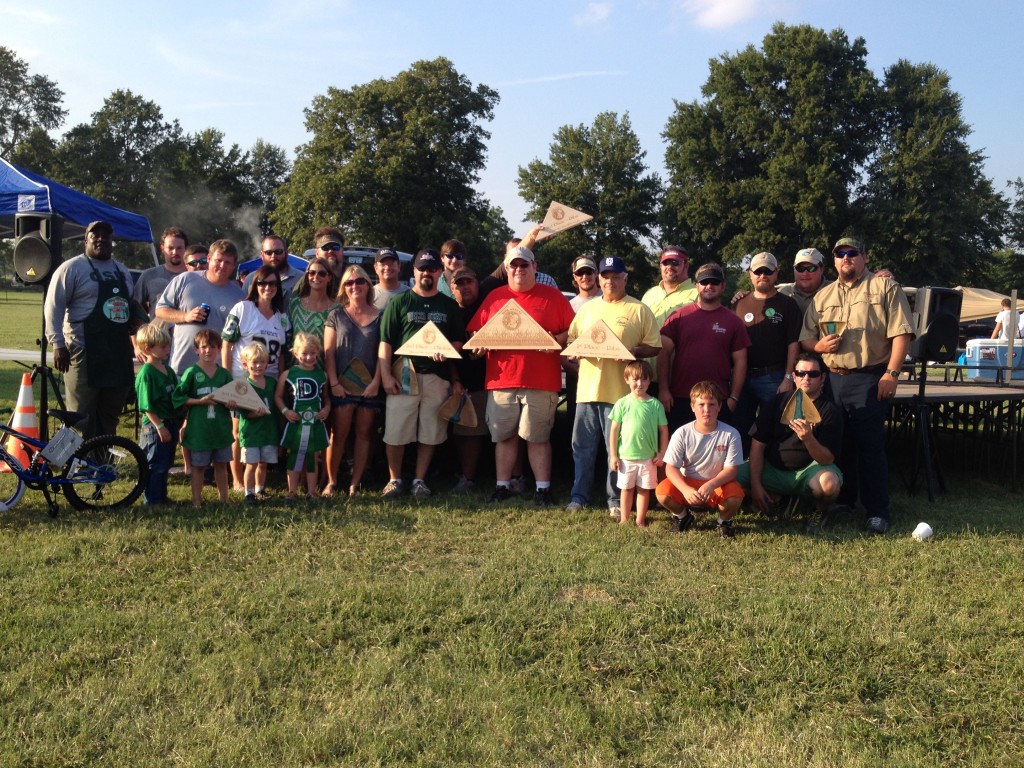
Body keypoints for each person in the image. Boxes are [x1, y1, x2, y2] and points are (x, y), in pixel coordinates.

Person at [799, 236, 915, 534]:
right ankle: (845, 501)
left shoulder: (884, 287)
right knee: (841, 444)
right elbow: (806, 339)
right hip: (832, 380)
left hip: (869, 377)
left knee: (870, 446)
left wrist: (892, 373)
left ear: (864, 256)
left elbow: (901, 334)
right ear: (834, 261)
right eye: (840, 254)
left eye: (852, 252)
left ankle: (877, 511)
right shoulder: (823, 297)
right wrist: (820, 345)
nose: (846, 258)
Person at [467, 245, 574, 507]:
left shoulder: (553, 297)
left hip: (541, 380)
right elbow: (475, 333)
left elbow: (572, 333)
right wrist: (478, 345)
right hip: (502, 380)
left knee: (538, 437)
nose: (518, 269)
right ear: (506, 268)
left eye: (524, 265)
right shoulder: (495, 297)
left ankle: (543, 489)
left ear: (534, 267)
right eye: (513, 265)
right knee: (504, 436)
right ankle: (502, 486)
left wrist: (553, 339)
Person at [565, 255, 661, 515]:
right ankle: (579, 496)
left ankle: (615, 500)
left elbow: (655, 345)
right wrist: (574, 352)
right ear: (599, 278)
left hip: (621, 395)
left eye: (615, 276)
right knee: (582, 448)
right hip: (586, 391)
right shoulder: (587, 309)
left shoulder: (638, 309)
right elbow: (572, 341)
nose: (610, 281)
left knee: (616, 451)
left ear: (625, 278)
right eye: (605, 276)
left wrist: (632, 351)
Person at [378, 248, 466, 500]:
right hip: (403, 373)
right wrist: (385, 375)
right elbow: (385, 342)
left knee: (430, 431)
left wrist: (445, 350)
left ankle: (419, 480)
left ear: (439, 272)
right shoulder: (400, 302)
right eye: (421, 268)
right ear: (414, 271)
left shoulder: (449, 305)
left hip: (437, 377)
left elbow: (459, 341)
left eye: (431, 268)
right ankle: (394, 480)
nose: (426, 272)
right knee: (395, 431)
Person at [44, 220, 140, 440]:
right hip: (83, 352)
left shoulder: (121, 270)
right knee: (80, 416)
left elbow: (130, 305)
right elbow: (53, 307)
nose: (101, 239)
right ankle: (77, 464)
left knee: (110, 414)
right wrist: (58, 344)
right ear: (85, 239)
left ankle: (102, 463)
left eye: (106, 236)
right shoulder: (72, 268)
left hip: (117, 352)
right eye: (95, 235)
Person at [734, 353, 843, 531]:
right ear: (794, 377)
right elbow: (757, 446)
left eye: (813, 374)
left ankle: (819, 510)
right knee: (727, 476)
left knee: (829, 486)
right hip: (773, 468)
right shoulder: (776, 402)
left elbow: (827, 460)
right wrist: (756, 486)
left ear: (822, 378)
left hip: (808, 469)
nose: (806, 378)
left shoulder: (830, 410)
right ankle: (773, 498)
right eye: (800, 373)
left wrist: (808, 438)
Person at [222, 263, 292, 491]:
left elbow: (281, 353)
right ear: (255, 284)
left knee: (264, 426)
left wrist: (281, 380)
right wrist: (227, 377)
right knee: (238, 429)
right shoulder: (242, 308)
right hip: (242, 377)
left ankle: (258, 479)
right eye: (262, 282)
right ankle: (238, 480)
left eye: (273, 283)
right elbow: (227, 344)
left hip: (269, 379)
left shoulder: (282, 316)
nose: (267, 287)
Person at [658, 262, 750, 433]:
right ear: (696, 285)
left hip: (717, 401)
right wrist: (663, 389)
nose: (709, 286)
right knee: (679, 455)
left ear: (723, 286)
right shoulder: (678, 317)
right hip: (681, 398)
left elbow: (741, 362)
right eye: (704, 282)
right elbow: (664, 353)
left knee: (717, 455)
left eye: (714, 282)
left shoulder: (734, 321)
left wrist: (734, 398)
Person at [655, 381, 745, 537]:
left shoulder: (731, 434)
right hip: (688, 482)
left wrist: (712, 484)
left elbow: (732, 470)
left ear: (719, 407)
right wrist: (685, 489)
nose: (706, 410)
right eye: (701, 404)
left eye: (711, 404)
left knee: (735, 496)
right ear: (692, 407)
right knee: (662, 492)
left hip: (716, 484)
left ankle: (724, 522)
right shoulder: (682, 433)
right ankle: (683, 516)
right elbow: (671, 467)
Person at [731, 252, 801, 453]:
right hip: (742, 378)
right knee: (740, 428)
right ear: (750, 274)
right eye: (758, 271)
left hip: (774, 376)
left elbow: (793, 344)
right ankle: (742, 478)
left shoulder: (788, 304)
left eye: (768, 271)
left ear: (776, 273)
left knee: (776, 428)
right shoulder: (738, 302)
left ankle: (772, 476)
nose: (763, 275)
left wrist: (788, 377)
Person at [323, 265, 382, 497]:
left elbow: (383, 353)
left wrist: (376, 381)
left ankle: (355, 484)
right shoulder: (336, 315)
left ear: (368, 284)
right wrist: (334, 383)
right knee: (339, 434)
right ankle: (331, 481)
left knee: (365, 433)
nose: (354, 286)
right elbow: (328, 353)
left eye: (359, 281)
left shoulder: (381, 316)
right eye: (349, 282)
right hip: (341, 387)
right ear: (343, 288)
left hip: (370, 386)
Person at [156, 239, 246, 377]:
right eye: (218, 260)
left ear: (234, 266)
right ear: (209, 259)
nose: (222, 266)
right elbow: (160, 310)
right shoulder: (185, 279)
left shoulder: (239, 295)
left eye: (227, 262)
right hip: (182, 368)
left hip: (216, 374)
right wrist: (185, 316)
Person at [173, 329, 235, 507]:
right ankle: (197, 501)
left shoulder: (224, 374)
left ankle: (224, 498)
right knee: (198, 466)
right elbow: (178, 397)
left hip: (220, 427)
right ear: (196, 349)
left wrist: (231, 403)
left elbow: (233, 397)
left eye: (213, 347)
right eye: (204, 347)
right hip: (199, 428)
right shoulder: (191, 372)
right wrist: (199, 401)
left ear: (219, 349)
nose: (208, 350)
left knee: (222, 464)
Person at [608, 360, 669, 527]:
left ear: (650, 381)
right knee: (626, 489)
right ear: (626, 379)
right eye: (635, 379)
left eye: (644, 379)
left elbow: (663, 430)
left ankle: (640, 519)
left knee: (644, 489)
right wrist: (613, 455)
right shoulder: (622, 403)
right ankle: (624, 519)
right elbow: (613, 431)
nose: (639, 384)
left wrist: (662, 453)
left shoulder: (655, 405)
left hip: (648, 458)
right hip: (626, 457)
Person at [449, 266, 491, 492]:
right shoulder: (450, 311)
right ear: (452, 288)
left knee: (475, 433)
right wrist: (455, 379)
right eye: (459, 283)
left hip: (488, 380)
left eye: (469, 282)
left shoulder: (489, 306)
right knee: (461, 431)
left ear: (477, 284)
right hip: (459, 381)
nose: (465, 287)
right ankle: (466, 474)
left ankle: (469, 477)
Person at [276, 332, 331, 500]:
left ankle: (311, 491)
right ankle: (291, 491)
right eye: (304, 353)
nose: (309, 357)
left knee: (313, 455)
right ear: (296, 353)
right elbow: (278, 396)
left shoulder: (322, 375)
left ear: (318, 352)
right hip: (295, 423)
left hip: (315, 423)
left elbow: (326, 397)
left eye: (313, 353)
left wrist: (327, 409)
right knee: (294, 454)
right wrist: (286, 411)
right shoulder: (288, 374)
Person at [134, 323, 182, 506]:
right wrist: (159, 426)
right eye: (163, 347)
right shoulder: (147, 373)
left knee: (166, 462)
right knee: (155, 463)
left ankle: (161, 496)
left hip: (170, 422)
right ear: (148, 349)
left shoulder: (167, 370)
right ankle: (152, 500)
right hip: (154, 426)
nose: (168, 350)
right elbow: (147, 405)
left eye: (168, 345)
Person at [237, 343, 278, 503]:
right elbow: (243, 413)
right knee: (251, 464)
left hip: (268, 431)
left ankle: (260, 489)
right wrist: (254, 413)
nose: (258, 366)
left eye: (262, 362)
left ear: (267, 363)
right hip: (251, 432)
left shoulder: (272, 383)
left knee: (263, 463)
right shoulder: (243, 386)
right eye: (254, 362)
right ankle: (249, 493)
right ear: (246, 364)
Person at [288, 256, 340, 365]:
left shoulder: (337, 309)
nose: (316, 276)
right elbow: (286, 341)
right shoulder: (295, 305)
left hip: (324, 374)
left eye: (321, 273)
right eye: (312, 273)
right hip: (295, 373)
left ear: (329, 277)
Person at [133, 226, 188, 320]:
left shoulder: (195, 276)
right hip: (158, 333)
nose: (175, 252)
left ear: (186, 249)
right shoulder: (148, 276)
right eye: (170, 248)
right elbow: (134, 307)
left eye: (179, 248)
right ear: (162, 248)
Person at [641, 245, 697, 327]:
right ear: (660, 266)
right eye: (665, 263)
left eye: (675, 263)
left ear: (686, 266)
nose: (670, 267)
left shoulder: (698, 295)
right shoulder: (649, 294)